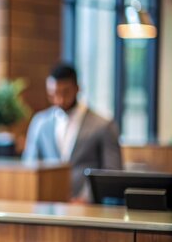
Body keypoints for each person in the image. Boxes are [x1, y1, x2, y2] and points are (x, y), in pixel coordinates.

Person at [23, 63, 123, 202]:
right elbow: (30, 166)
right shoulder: (40, 123)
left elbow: (112, 171)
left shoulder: (103, 125)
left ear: (77, 88)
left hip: (88, 207)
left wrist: (85, 199)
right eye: (53, 94)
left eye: (65, 93)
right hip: (47, 206)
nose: (59, 100)